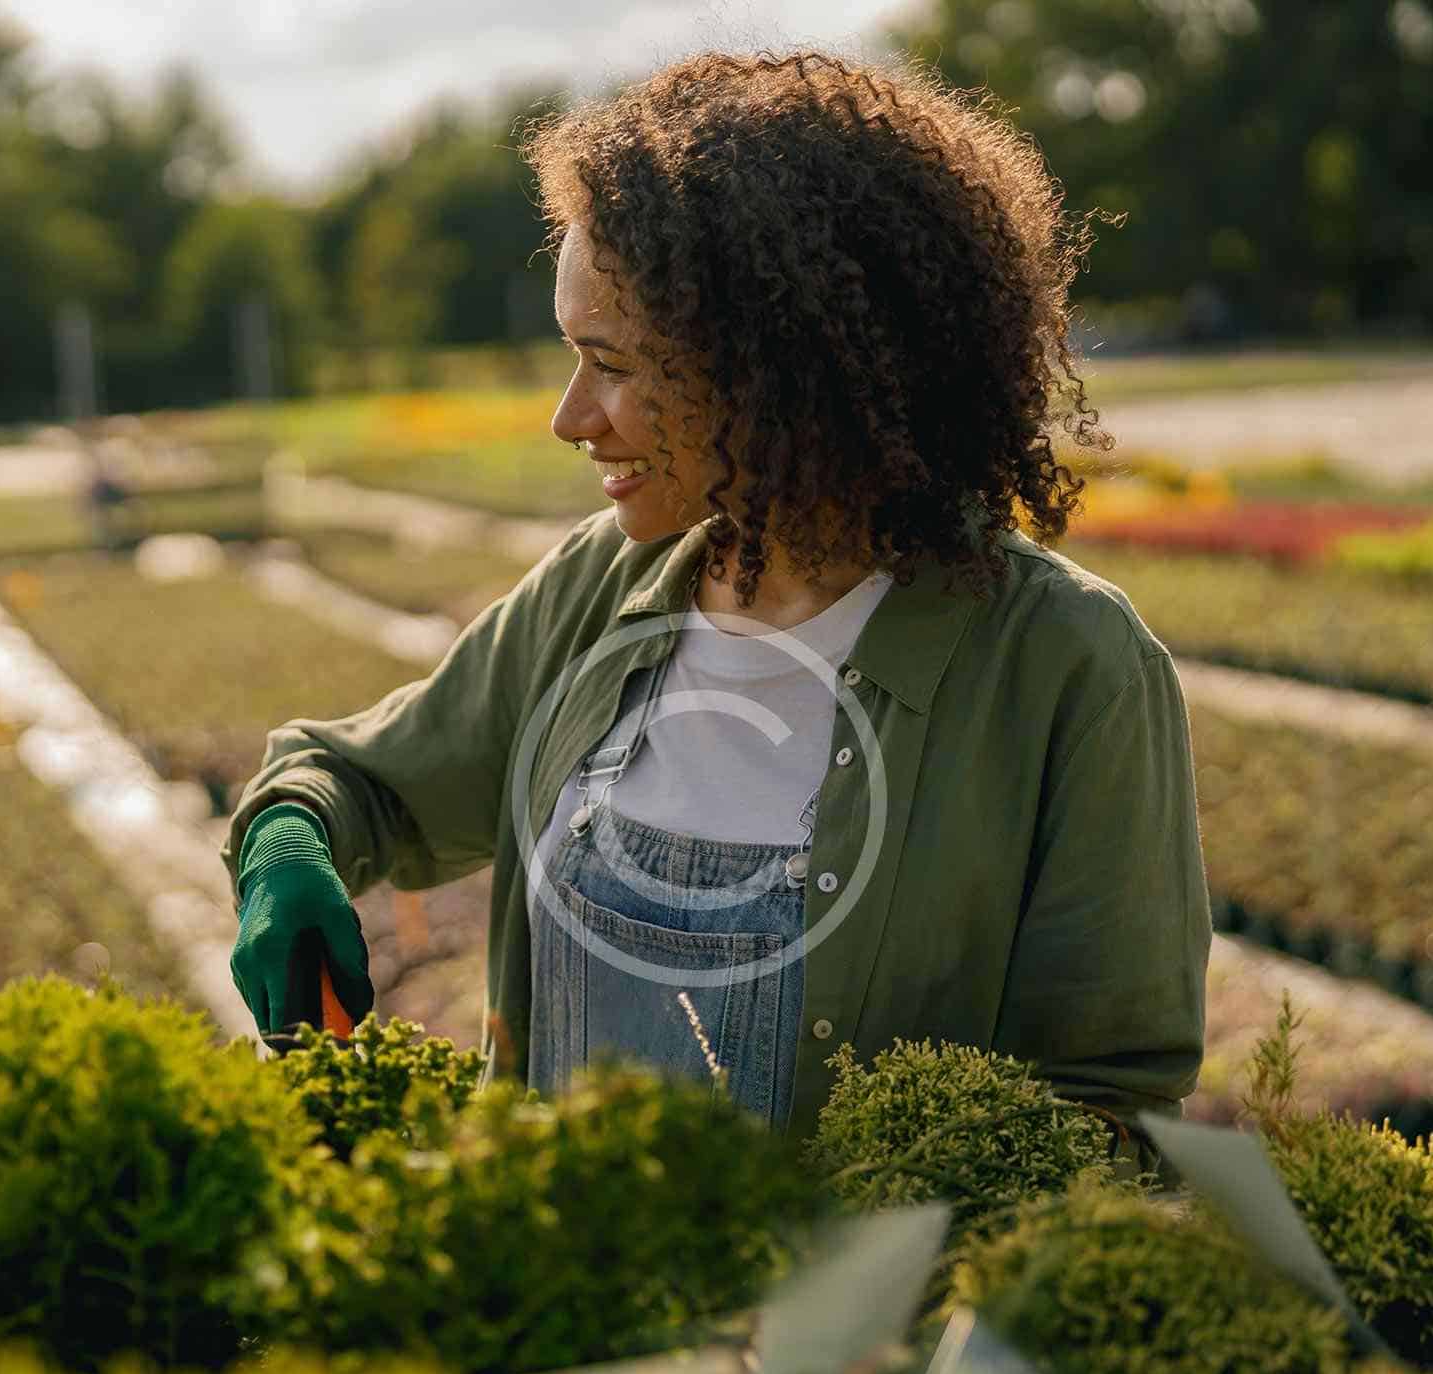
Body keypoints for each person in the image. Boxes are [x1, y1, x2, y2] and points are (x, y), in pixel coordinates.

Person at [223, 47, 1211, 1142]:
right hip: (558, 1306)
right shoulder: (600, 588)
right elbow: (358, 779)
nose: (571, 416)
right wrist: (289, 843)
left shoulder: (1065, 666)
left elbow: (1113, 1102)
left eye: (613, 364)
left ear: (774, 369)